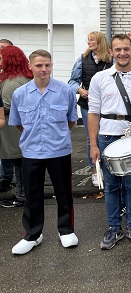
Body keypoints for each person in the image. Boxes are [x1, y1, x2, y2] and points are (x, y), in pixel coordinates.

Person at [88, 34, 131, 250]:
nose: (122, 53)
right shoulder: (99, 79)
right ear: (111, 52)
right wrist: (93, 144)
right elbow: (93, 113)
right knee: (111, 186)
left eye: (126, 49)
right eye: (117, 49)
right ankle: (113, 228)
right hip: (107, 137)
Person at [9, 49, 79, 254]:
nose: (44, 69)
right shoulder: (19, 94)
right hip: (31, 151)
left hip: (59, 150)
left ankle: (65, 230)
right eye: (39, 65)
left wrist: (56, 135)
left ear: (51, 66)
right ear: (30, 66)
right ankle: (33, 234)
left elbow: (71, 120)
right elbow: (18, 123)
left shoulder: (65, 91)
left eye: (47, 65)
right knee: (32, 194)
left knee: (64, 192)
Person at [68, 31, 113, 187]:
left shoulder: (111, 59)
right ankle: (95, 171)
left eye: (92, 40)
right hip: (88, 105)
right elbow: (72, 81)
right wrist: (81, 91)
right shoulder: (82, 59)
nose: (89, 42)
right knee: (91, 138)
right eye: (88, 39)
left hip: (109, 105)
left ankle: (109, 169)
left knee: (108, 136)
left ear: (99, 41)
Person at [0, 46, 33, 208]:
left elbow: (6, 105)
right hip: (22, 128)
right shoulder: (24, 77)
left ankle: (22, 196)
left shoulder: (12, 82)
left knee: (19, 165)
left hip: (14, 131)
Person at [0, 38, 15, 192]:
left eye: (4, 48)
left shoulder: (12, 76)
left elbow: (7, 104)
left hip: (7, 119)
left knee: (8, 150)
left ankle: (6, 178)